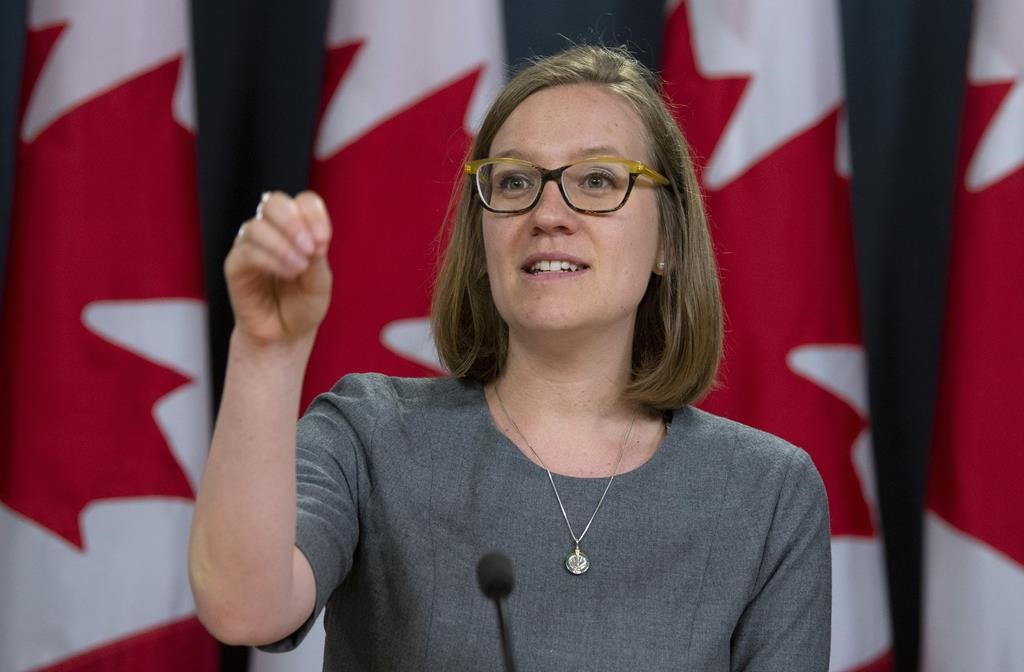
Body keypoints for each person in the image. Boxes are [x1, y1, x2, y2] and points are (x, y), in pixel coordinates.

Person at [188, 45, 831, 670]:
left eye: (597, 180)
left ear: (668, 240)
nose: (548, 214)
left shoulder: (768, 494)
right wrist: (265, 351)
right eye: (516, 181)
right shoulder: (371, 433)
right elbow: (243, 609)